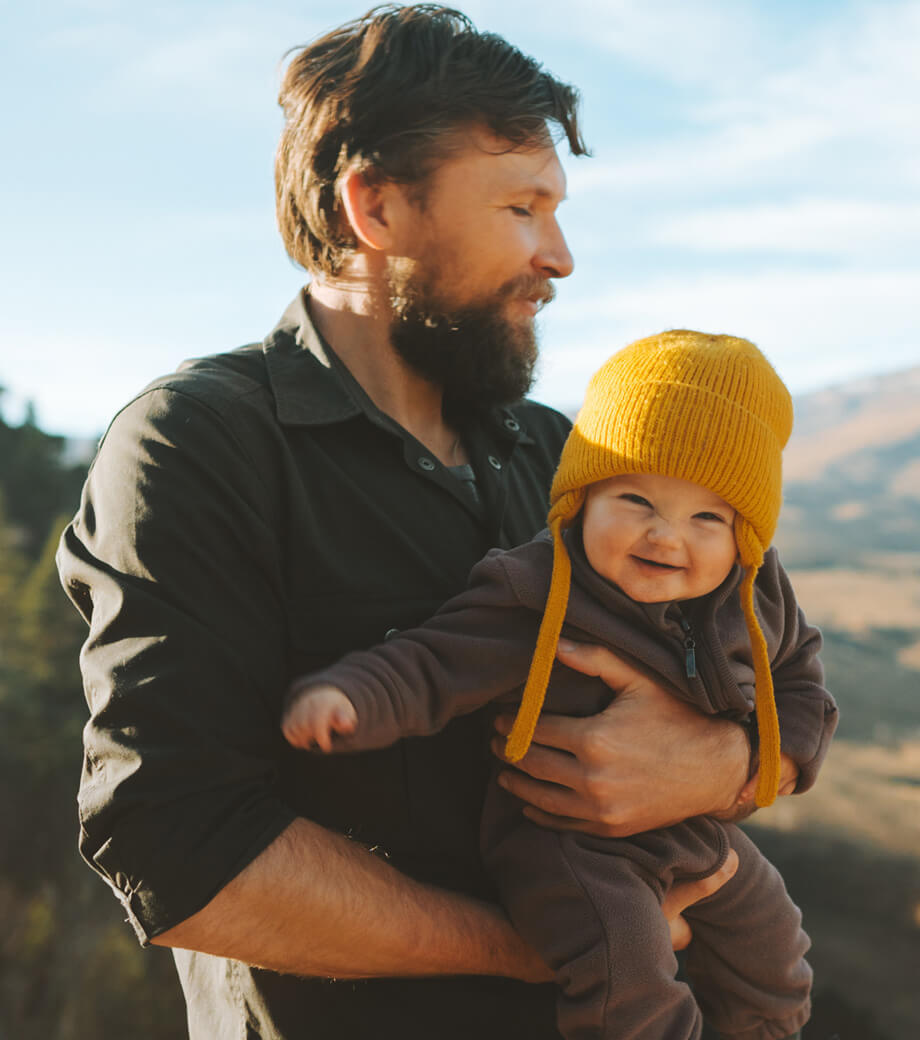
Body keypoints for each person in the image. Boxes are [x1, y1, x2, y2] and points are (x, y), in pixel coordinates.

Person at [57, 7, 803, 1038]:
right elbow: (179, 848)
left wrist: (720, 763)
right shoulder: (197, 445)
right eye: (521, 208)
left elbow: (753, 647)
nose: (560, 255)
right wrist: (534, 941)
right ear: (374, 206)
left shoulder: (564, 456)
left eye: (556, 210)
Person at [283, 331, 838, 1040]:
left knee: (776, 944)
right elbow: (431, 661)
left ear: (746, 535)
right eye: (636, 499)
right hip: (568, 847)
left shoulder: (754, 598)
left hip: (695, 827)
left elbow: (798, 683)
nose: (667, 536)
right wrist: (354, 697)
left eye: (708, 517)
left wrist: (765, 760)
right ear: (580, 499)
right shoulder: (538, 590)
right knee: (625, 973)